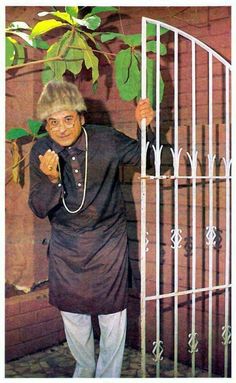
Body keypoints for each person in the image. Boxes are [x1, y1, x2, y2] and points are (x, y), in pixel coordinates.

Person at [28, 80, 155, 378]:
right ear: (46, 125)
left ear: (82, 118)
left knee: (113, 319)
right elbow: (37, 207)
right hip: (67, 247)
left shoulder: (105, 139)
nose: (60, 129)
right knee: (74, 317)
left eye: (68, 119)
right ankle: (84, 371)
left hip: (108, 244)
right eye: (53, 122)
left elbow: (150, 161)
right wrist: (51, 180)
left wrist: (144, 128)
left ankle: (108, 376)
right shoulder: (42, 149)